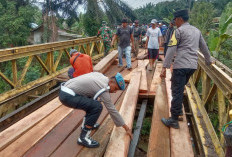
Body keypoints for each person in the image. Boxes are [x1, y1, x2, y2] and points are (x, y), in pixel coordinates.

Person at [160, 9, 213, 129]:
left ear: (180, 19)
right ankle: (178, 110)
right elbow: (204, 47)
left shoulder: (178, 31)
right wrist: (209, 60)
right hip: (192, 66)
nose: (175, 22)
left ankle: (173, 120)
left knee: (176, 90)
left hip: (181, 65)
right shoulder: (196, 31)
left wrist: (164, 67)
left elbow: (171, 49)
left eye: (175, 20)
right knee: (179, 87)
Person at [59, 72, 132, 148]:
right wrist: (126, 128)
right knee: (97, 107)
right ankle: (83, 138)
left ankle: (86, 124)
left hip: (65, 89)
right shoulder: (103, 88)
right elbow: (112, 110)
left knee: (93, 102)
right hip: (68, 96)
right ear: (111, 82)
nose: (115, 91)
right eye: (116, 88)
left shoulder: (101, 76)